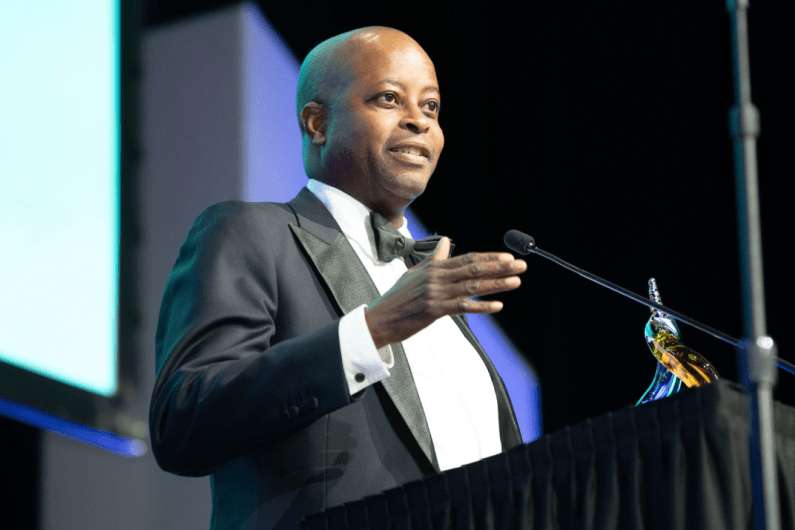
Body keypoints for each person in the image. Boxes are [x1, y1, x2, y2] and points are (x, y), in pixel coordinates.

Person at [150, 26, 528, 530]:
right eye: (389, 99)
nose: (418, 121)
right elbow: (183, 422)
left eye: (431, 107)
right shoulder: (251, 234)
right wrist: (373, 329)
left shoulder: (427, 277)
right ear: (317, 124)